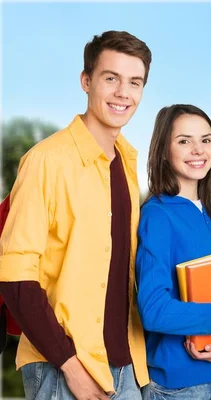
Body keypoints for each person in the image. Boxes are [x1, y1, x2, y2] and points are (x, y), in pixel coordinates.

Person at [0, 31, 152, 399]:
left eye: (135, 82)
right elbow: (17, 277)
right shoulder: (46, 161)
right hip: (64, 369)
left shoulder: (128, 164)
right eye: (110, 78)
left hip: (125, 367)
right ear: (86, 82)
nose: (123, 93)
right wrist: (70, 366)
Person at [135, 104, 211, 399]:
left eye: (205, 140)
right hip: (178, 387)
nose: (198, 150)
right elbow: (154, 311)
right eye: (184, 141)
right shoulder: (157, 216)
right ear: (164, 151)